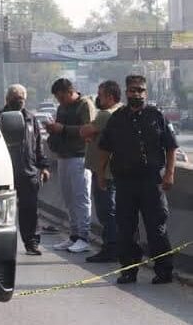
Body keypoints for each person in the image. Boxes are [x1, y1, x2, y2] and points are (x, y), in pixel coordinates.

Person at [99, 75, 178, 284]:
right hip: (124, 182)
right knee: (126, 228)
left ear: (146, 92)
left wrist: (169, 173)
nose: (137, 94)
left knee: (157, 228)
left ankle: (163, 271)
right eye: (133, 90)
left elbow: (170, 147)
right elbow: (105, 149)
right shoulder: (116, 119)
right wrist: (101, 174)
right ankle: (129, 270)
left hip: (151, 182)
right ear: (126, 92)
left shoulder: (156, 116)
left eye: (141, 90)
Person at [0, 84, 50, 255]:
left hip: (29, 172)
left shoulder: (31, 118)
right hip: (4, 173)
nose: (19, 103)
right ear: (7, 100)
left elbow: (38, 144)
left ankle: (31, 242)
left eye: (21, 100)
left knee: (30, 210)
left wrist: (43, 166)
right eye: (15, 100)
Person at [45, 78, 96, 253]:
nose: (60, 102)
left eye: (61, 97)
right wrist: (53, 130)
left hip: (79, 157)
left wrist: (63, 129)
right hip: (63, 156)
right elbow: (60, 129)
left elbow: (89, 129)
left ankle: (84, 236)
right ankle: (74, 235)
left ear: (69, 92)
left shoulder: (84, 105)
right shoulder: (62, 108)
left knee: (81, 199)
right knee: (68, 199)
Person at [79, 81, 122, 262]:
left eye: (101, 95)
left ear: (110, 97)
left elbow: (85, 131)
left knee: (106, 212)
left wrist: (89, 132)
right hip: (115, 170)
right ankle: (116, 247)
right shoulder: (121, 111)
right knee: (113, 211)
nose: (98, 98)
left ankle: (110, 248)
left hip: (104, 171)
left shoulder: (105, 114)